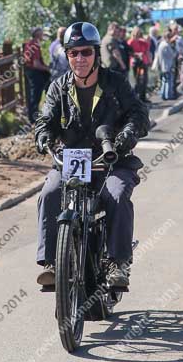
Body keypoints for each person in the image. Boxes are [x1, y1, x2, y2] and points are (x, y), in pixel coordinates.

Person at [34, 21, 149, 289]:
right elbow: (45, 119)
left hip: (112, 159)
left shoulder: (116, 83)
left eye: (86, 52)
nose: (79, 58)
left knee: (116, 195)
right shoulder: (58, 87)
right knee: (50, 193)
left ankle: (117, 263)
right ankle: (51, 263)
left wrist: (126, 136)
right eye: (73, 53)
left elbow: (138, 114)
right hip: (72, 160)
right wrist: (43, 136)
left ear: (96, 54)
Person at [23, 27, 51, 123]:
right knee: (36, 94)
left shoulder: (31, 43)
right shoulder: (34, 44)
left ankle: (35, 115)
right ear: (37, 34)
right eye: (41, 32)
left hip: (30, 70)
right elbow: (36, 64)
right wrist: (48, 69)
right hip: (34, 71)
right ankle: (33, 118)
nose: (43, 34)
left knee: (36, 92)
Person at [127, 26, 152, 102]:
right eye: (136, 33)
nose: (138, 34)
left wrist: (149, 60)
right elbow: (129, 52)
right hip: (136, 63)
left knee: (144, 80)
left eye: (139, 33)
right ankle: (138, 98)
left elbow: (147, 49)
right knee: (138, 81)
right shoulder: (130, 42)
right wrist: (137, 54)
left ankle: (143, 97)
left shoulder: (141, 41)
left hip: (143, 63)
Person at [153, 28, 177, 100]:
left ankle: (163, 95)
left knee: (164, 81)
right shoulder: (166, 45)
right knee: (168, 82)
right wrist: (175, 51)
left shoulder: (161, 44)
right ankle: (168, 95)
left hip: (162, 65)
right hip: (167, 65)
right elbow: (172, 55)